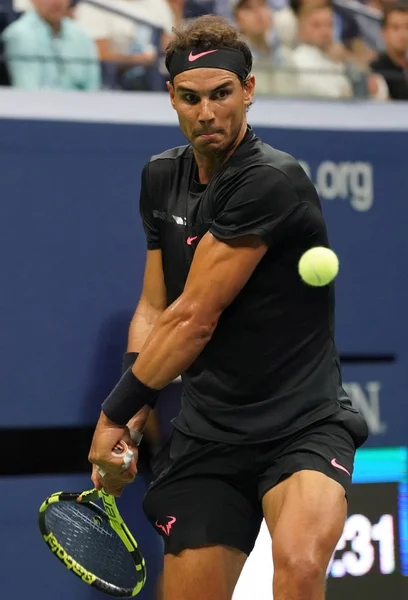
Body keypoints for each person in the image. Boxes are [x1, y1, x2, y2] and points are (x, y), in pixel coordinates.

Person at [88, 14, 369, 600]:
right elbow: (153, 308)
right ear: (171, 97)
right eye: (190, 98)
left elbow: (192, 320)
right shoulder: (161, 177)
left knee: (296, 569)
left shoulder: (271, 179)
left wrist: (113, 414)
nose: (207, 113)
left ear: (248, 90)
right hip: (210, 433)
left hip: (304, 427)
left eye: (221, 95)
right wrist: (134, 426)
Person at [2, 0, 100, 90]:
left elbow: (93, 89)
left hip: (83, 106)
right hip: (39, 107)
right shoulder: (18, 35)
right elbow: (28, 92)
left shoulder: (82, 37)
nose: (57, 2)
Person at [371, 3, 408, 100]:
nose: (403, 34)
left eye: (407, 27)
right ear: (384, 33)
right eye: (396, 28)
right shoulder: (376, 70)